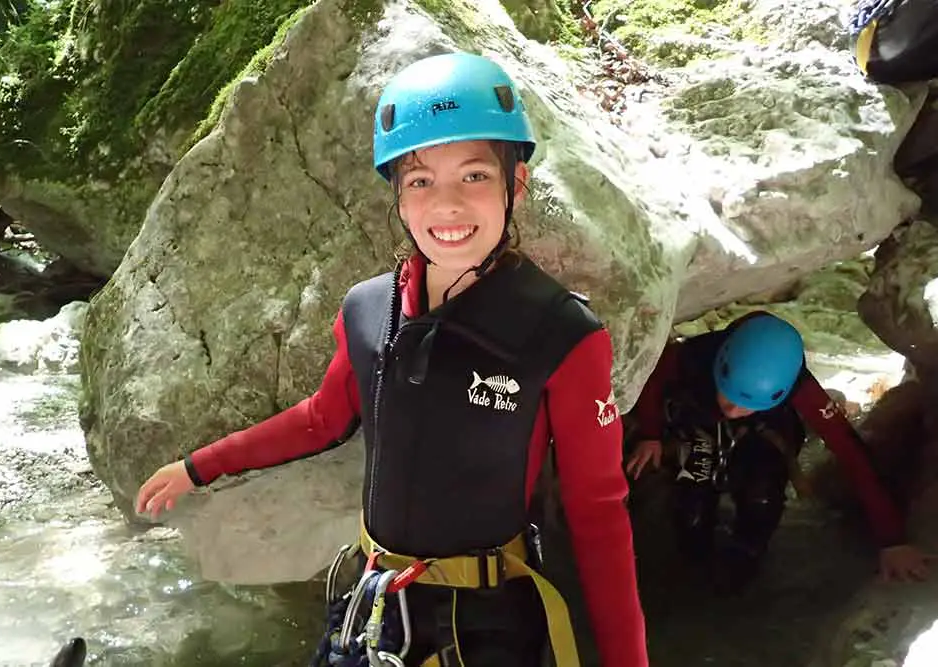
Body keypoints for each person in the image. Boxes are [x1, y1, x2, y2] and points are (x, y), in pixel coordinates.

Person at [135, 52, 648, 667]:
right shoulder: (368, 309)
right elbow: (321, 419)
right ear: (400, 198)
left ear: (516, 184)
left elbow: (598, 514)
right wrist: (198, 467)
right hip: (375, 603)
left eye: (476, 177)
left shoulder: (561, 333)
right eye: (421, 180)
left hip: (487, 625)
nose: (447, 205)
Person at [624, 310, 933, 592]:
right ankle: (693, 557)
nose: (732, 409)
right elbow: (651, 380)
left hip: (766, 432)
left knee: (762, 494)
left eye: (746, 404)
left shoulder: (801, 387)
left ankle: (743, 559)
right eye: (728, 396)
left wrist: (893, 540)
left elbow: (851, 453)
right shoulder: (691, 355)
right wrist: (650, 435)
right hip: (698, 421)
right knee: (693, 505)